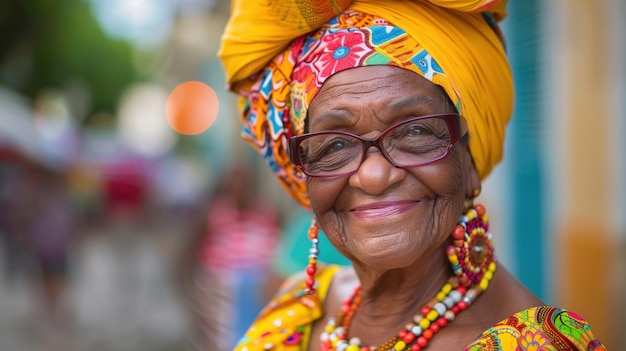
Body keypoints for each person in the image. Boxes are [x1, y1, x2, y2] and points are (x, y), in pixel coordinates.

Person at [217, 0, 607, 350]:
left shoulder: (534, 345)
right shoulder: (298, 311)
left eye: (416, 131)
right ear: (306, 180)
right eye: (334, 145)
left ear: (469, 163)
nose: (373, 175)